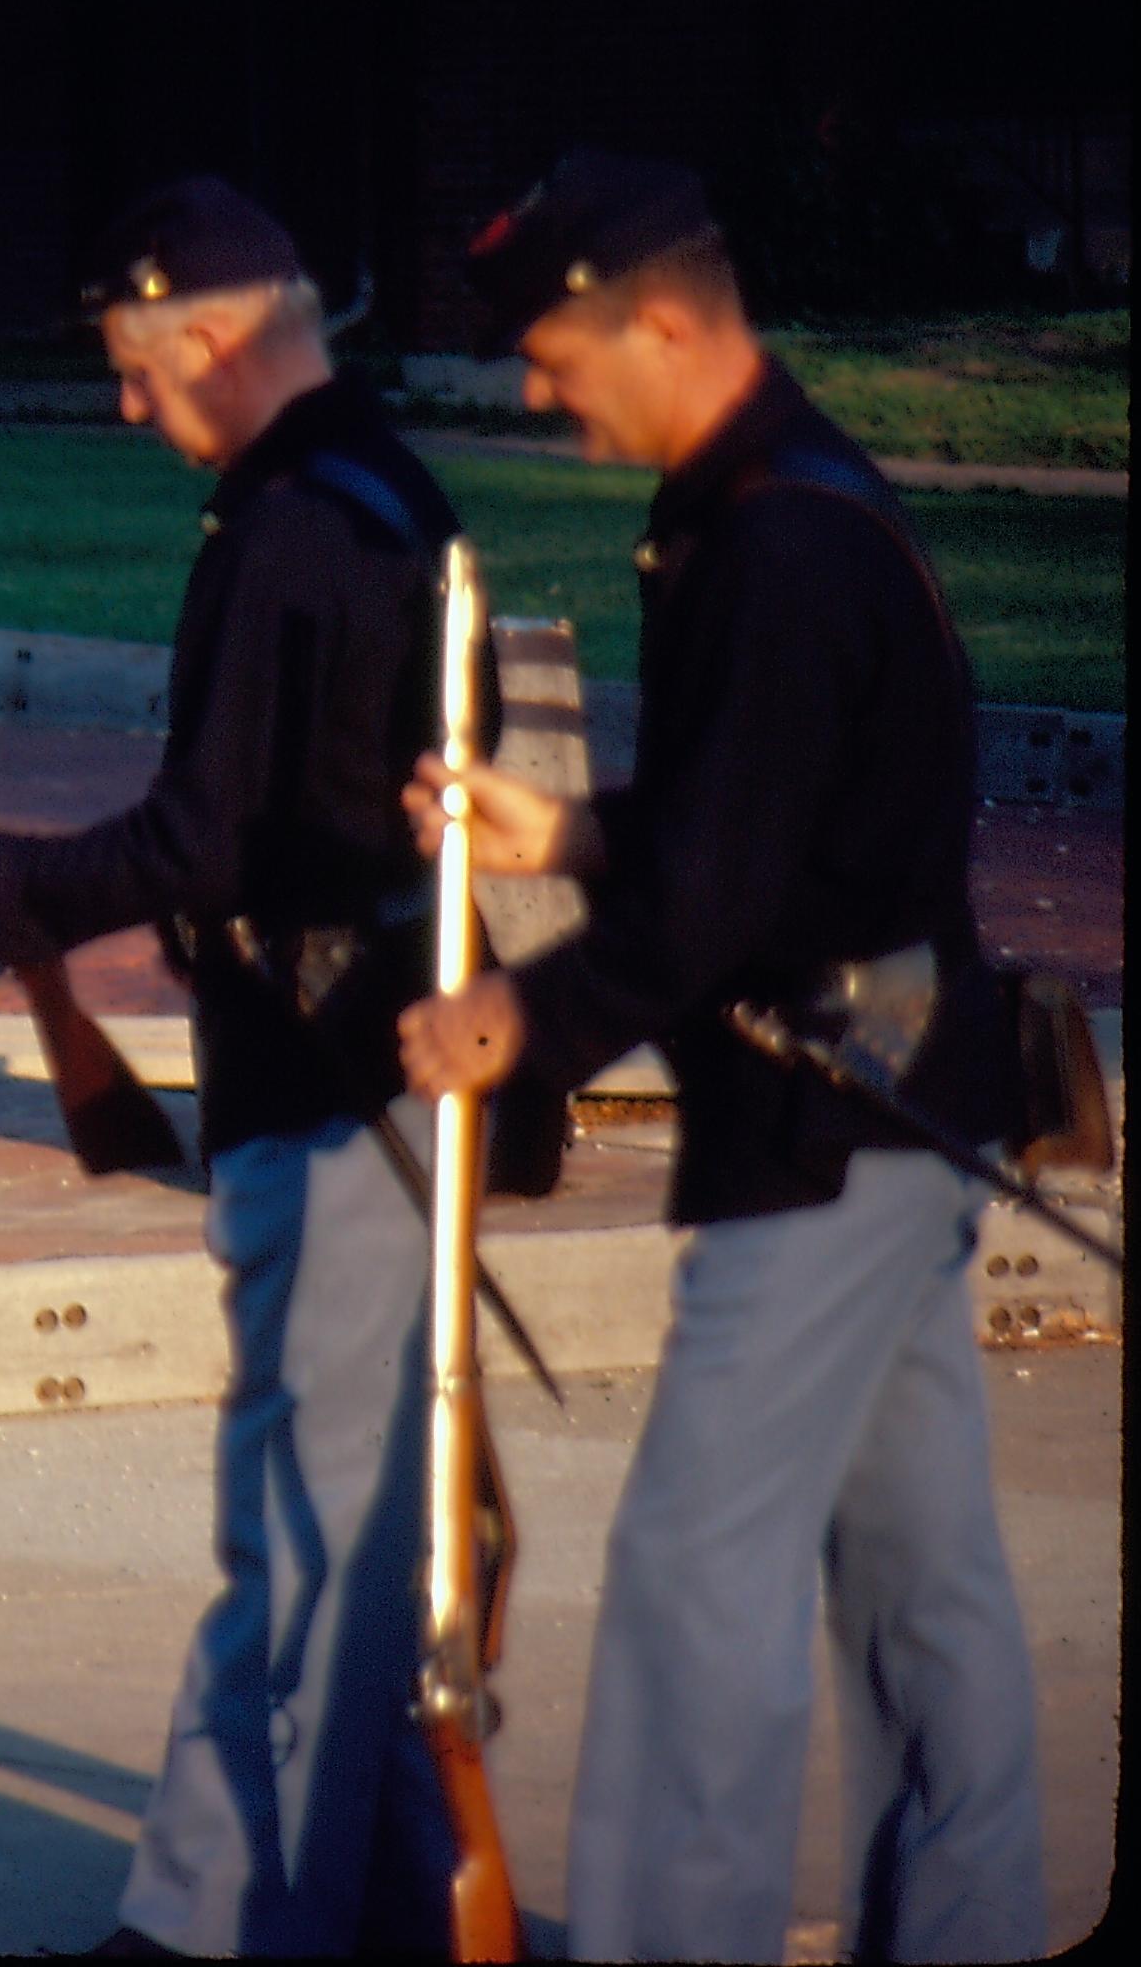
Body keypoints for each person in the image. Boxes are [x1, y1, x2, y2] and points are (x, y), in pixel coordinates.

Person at [399, 152, 1044, 1963]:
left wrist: (515, 1018)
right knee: (923, 1593)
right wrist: (575, 834)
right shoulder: (785, 493)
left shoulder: (771, 535)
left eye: (552, 352)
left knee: (699, 1582)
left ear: (663, 322)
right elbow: (769, 818)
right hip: (895, 1106)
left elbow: (722, 891)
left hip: (825, 1127)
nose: (535, 388)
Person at [0, 178, 470, 1957]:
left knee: (298, 1541)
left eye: (137, 371)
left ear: (211, 339)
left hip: (335, 1080)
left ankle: (210, 1927)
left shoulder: (291, 525)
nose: (130, 409)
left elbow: (202, 845)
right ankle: (405, 1908)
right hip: (371, 1070)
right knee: (346, 1539)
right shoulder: (378, 488)